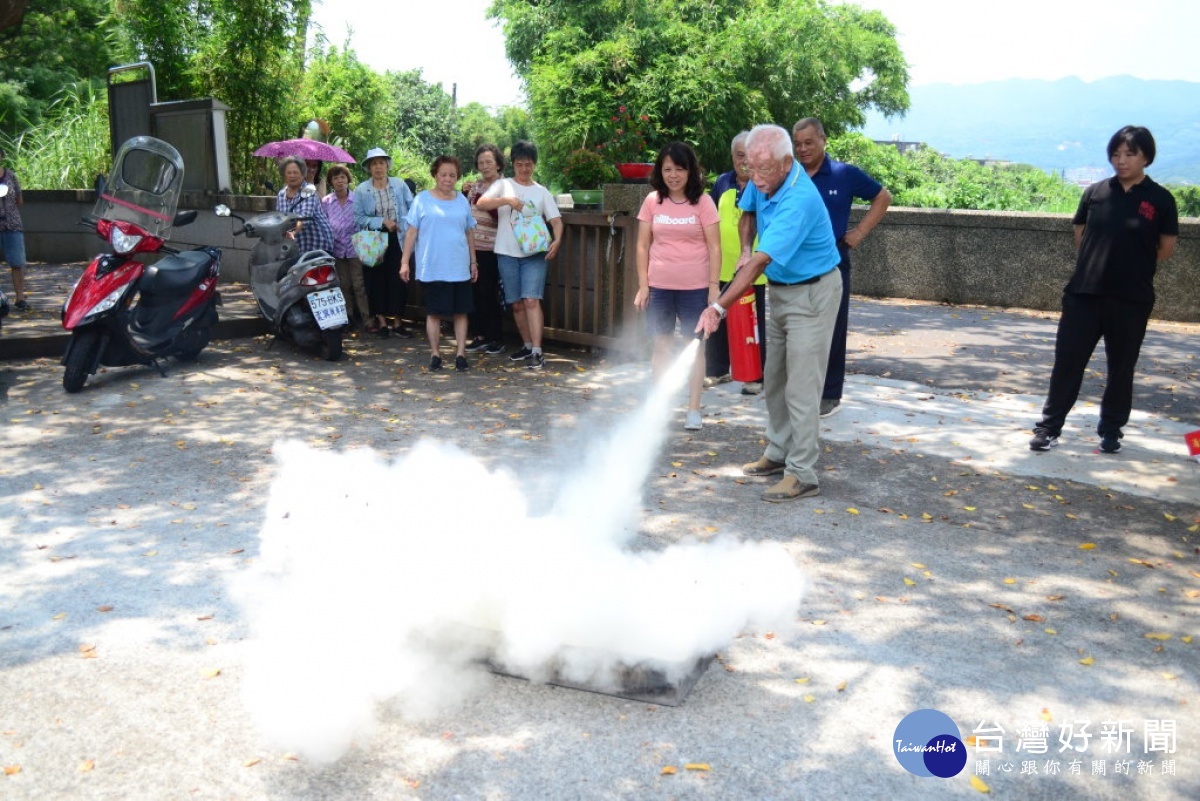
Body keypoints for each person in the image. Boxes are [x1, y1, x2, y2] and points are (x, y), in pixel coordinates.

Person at [695, 124, 841, 502]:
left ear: (787, 162)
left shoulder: (799, 200)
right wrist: (743, 246)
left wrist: (717, 307)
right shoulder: (764, 181)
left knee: (802, 387)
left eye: (762, 171)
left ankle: (803, 473)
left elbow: (759, 263)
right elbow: (748, 215)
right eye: (748, 168)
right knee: (774, 379)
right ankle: (779, 452)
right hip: (782, 291)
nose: (754, 179)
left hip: (813, 294)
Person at [1030, 126, 1178, 455]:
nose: (1121, 160)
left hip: (1131, 298)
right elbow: (1080, 234)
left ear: (1146, 158)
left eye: (1130, 154)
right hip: (1084, 293)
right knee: (1067, 362)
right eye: (1116, 154)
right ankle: (1049, 428)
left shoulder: (1161, 199)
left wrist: (1131, 261)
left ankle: (1111, 430)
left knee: (1121, 367)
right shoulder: (1095, 192)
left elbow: (1166, 248)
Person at [792, 117, 892, 418]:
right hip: (795, 263)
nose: (803, 149)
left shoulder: (843, 174)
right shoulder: (791, 175)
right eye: (797, 144)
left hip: (833, 259)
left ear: (823, 139)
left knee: (832, 329)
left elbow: (882, 197)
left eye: (809, 142)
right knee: (797, 328)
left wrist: (858, 234)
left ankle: (830, 393)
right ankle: (800, 390)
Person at [634, 142, 721, 430]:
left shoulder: (704, 202)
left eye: (679, 169)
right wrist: (643, 286)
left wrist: (713, 288)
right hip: (659, 287)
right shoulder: (652, 201)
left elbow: (715, 247)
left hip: (695, 287)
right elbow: (642, 245)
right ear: (660, 171)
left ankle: (693, 408)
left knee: (694, 348)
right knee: (661, 344)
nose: (673, 175)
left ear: (690, 171)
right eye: (667, 169)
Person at [477, 141, 563, 370]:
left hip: (534, 253)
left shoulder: (541, 191)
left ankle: (537, 350)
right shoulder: (503, 185)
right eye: (519, 164)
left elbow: (556, 220)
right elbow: (482, 202)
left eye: (528, 164)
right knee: (515, 303)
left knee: (532, 300)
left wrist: (557, 240)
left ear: (534, 165)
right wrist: (507, 200)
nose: (524, 169)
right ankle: (526, 345)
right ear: (513, 164)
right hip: (506, 252)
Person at [401, 156, 478, 372]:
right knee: (433, 312)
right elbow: (411, 232)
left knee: (461, 312)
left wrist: (474, 261)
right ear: (435, 174)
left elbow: (469, 231)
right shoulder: (422, 200)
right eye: (443, 174)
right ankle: (435, 354)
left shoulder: (462, 200)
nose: (448, 179)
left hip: (459, 266)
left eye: (452, 175)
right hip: (432, 266)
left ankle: (460, 354)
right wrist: (404, 261)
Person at [706, 131, 767, 395]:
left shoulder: (764, 184)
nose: (743, 161)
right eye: (738, 155)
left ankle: (755, 375)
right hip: (721, 266)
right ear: (732, 156)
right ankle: (717, 369)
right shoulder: (722, 182)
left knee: (754, 325)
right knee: (717, 318)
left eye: (748, 155)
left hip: (755, 269)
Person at [353, 147, 415, 338]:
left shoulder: (398, 184)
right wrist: (381, 222)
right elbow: (359, 218)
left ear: (387, 165)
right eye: (374, 164)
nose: (378, 167)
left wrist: (404, 224)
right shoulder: (362, 190)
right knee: (375, 280)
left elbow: (412, 206)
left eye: (381, 163)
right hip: (374, 239)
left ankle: (397, 322)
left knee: (398, 279)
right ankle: (381, 322)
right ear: (369, 168)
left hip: (398, 238)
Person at [462, 144, 507, 355]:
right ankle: (479, 335)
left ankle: (495, 337)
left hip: (493, 247)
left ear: (498, 163)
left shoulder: (506, 186)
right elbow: (467, 212)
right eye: (481, 162)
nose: (485, 166)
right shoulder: (476, 186)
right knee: (473, 292)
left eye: (489, 161)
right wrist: (465, 195)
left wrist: (484, 203)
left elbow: (503, 215)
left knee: (489, 292)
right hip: (471, 248)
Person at [321, 164, 371, 330]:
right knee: (344, 285)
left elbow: (366, 220)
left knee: (359, 285)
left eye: (342, 177)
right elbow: (323, 224)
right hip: (336, 249)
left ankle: (367, 319)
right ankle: (348, 318)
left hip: (355, 248)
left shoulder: (358, 199)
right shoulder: (326, 202)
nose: (339, 181)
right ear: (331, 182)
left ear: (348, 179)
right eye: (335, 178)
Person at [275, 156, 335, 256]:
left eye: (296, 172)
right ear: (284, 176)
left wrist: (293, 233)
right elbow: (279, 218)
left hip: (318, 242)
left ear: (303, 174)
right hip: (297, 243)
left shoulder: (309, 190)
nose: (292, 176)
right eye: (289, 173)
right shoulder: (281, 194)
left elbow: (304, 219)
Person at [0, 148, 28, 311]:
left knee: (17, 262)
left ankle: (20, 297)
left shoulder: (11, 176)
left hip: (12, 224)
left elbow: (19, 200)